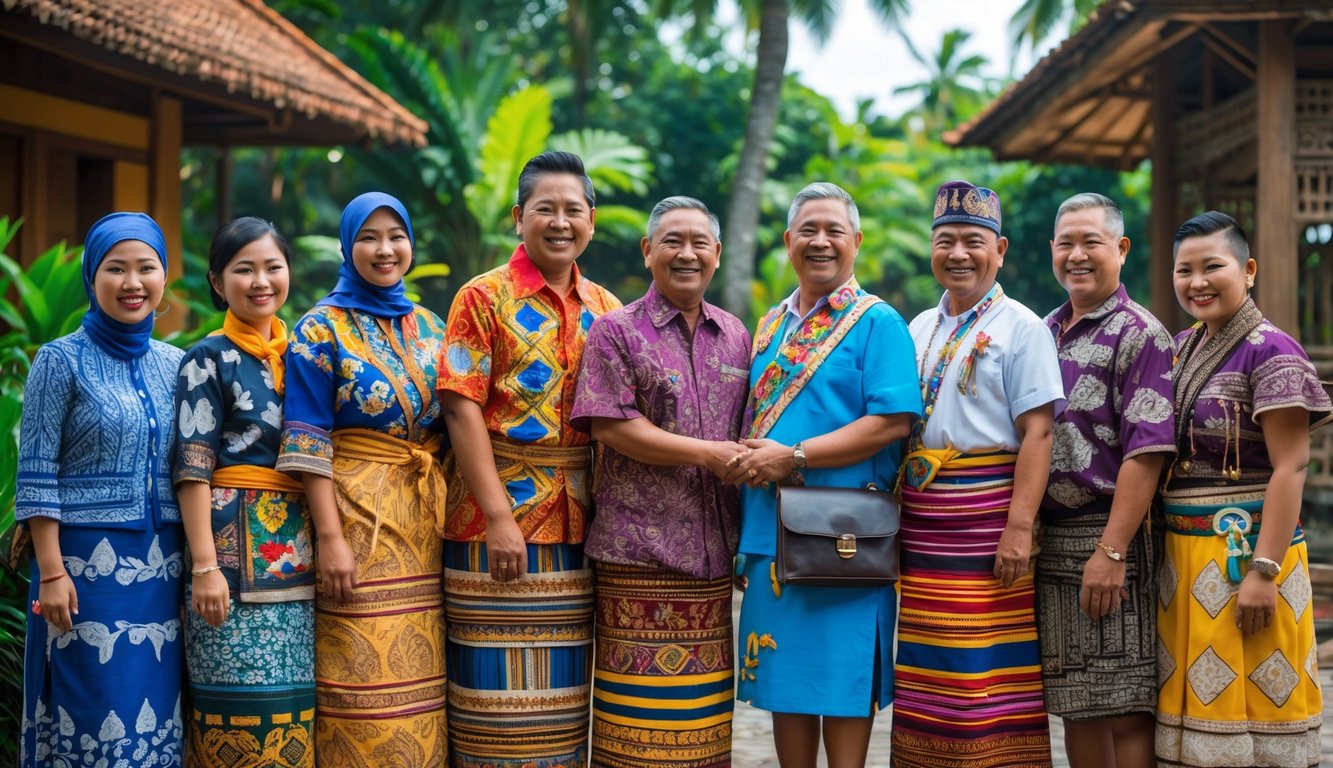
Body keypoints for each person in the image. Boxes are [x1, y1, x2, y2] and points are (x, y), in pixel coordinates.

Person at [724, 182, 921, 768]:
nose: (821, 241)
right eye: (808, 229)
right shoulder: (769, 325)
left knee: (840, 683)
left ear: (856, 241)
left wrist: (796, 456)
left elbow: (892, 422)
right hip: (770, 533)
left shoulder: (877, 322)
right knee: (786, 685)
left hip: (845, 537)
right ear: (787, 241)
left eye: (834, 230)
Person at [439, 150, 621, 768]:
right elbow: (461, 408)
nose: (560, 221)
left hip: (578, 526)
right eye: (546, 208)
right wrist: (497, 517)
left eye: (574, 209)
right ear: (519, 217)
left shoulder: (607, 307)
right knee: (491, 702)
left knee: (562, 705)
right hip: (492, 522)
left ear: (591, 221)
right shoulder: (481, 296)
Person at [571, 196, 750, 768]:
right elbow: (611, 427)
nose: (686, 253)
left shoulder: (736, 335)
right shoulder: (615, 330)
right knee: (635, 733)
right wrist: (707, 455)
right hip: (638, 559)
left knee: (703, 734)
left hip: (712, 564)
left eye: (699, 242)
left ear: (717, 255)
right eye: (672, 241)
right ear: (648, 251)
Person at [892, 180, 1064, 768]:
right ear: (931, 249)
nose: (958, 253)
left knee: (983, 666)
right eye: (946, 241)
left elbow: (1039, 433)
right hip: (922, 517)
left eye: (973, 241)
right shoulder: (916, 327)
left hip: (988, 515)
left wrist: (1020, 527)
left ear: (1001, 249)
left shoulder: (1023, 327)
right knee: (925, 663)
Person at [277, 192, 448, 765]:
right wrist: (330, 541)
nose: (384, 249)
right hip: (355, 521)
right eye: (369, 237)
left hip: (424, 523)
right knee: (359, 679)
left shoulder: (429, 324)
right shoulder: (318, 328)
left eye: (395, 236)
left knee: (422, 683)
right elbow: (306, 441)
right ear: (348, 246)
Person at [1156, 211, 1329, 768]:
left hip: (1248, 556)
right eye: (1185, 271)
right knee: (1195, 718)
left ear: (1248, 270)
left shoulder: (1272, 350)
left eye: (1213, 266)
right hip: (1183, 560)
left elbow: (1291, 468)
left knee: (1259, 717)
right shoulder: (1180, 348)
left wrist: (1264, 571)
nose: (1197, 282)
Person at [17, 212, 186, 766]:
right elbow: (37, 470)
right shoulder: (58, 360)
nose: (132, 283)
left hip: (161, 572)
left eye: (146, 268)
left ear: (164, 278)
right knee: (90, 711)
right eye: (116, 268)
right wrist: (51, 572)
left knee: (157, 718)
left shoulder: (177, 365)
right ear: (93, 276)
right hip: (82, 572)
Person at [1037, 193, 1176, 768]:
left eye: (1091, 242)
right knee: (1076, 704)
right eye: (1065, 243)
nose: (1077, 256)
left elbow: (1147, 453)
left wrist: (1112, 551)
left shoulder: (1141, 333)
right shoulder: (1041, 330)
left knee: (1123, 706)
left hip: (1112, 537)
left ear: (1120, 248)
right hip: (1053, 545)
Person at [173, 217, 315, 766]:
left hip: (295, 556)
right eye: (244, 269)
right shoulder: (205, 358)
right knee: (233, 701)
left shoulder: (300, 352)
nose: (261, 281)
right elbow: (191, 466)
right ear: (217, 281)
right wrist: (205, 566)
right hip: (227, 557)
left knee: (292, 707)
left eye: (272, 267)